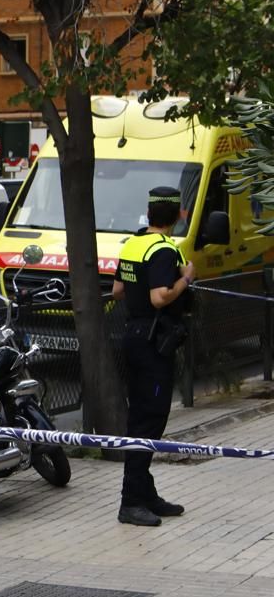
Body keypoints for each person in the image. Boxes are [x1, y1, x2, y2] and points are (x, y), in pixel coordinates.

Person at [111, 185, 195, 527]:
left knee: (141, 417)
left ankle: (145, 494)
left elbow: (117, 290)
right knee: (150, 418)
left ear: (149, 213)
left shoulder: (133, 242)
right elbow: (161, 297)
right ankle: (131, 501)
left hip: (134, 337)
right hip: (152, 343)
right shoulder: (164, 250)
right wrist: (186, 279)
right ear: (176, 215)